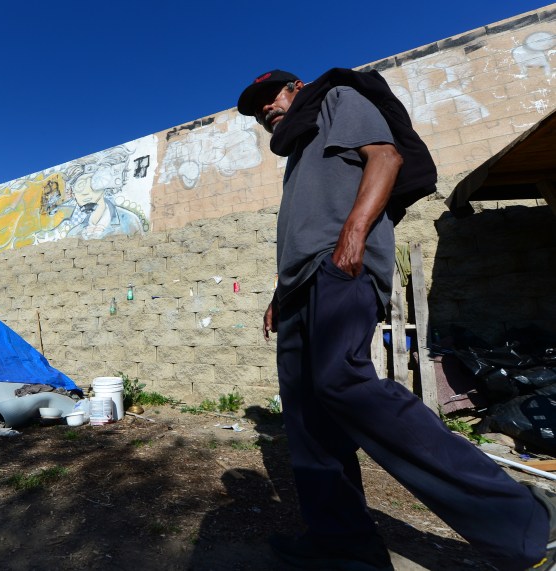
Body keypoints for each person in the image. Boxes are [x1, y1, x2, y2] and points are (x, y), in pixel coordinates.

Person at [237, 69, 556, 571]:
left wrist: (355, 236)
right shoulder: (297, 152)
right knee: (306, 415)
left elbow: (385, 158)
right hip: (299, 285)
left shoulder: (335, 100)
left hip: (340, 265)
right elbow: (302, 227)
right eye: (255, 110)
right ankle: (341, 539)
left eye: (269, 97)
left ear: (296, 88)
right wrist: (280, 293)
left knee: (343, 382)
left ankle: (526, 523)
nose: (264, 111)